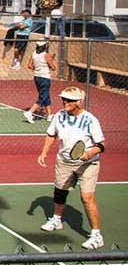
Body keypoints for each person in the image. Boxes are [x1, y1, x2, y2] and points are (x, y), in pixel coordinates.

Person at [37, 87, 105, 249]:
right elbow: (51, 134)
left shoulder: (90, 120)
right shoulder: (59, 116)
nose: (65, 102)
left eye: (69, 100)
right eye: (64, 99)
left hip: (87, 164)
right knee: (60, 191)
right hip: (64, 161)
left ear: (79, 102)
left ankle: (96, 235)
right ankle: (56, 220)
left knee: (86, 197)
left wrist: (89, 154)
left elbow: (101, 146)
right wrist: (44, 152)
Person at [24, 39, 56, 123]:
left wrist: (38, 68)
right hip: (45, 77)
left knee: (45, 95)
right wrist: (50, 63)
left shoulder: (34, 54)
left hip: (37, 77)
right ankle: (30, 112)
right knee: (43, 96)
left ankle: (49, 115)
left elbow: (29, 66)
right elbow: (53, 68)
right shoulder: (46, 55)